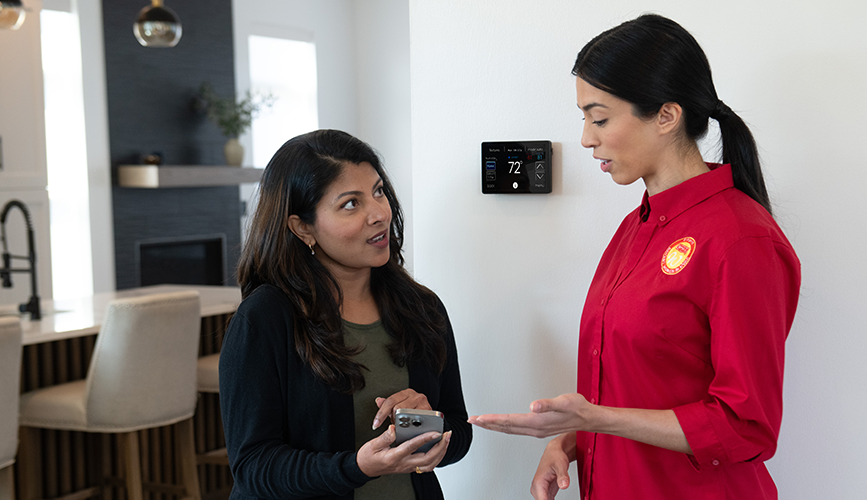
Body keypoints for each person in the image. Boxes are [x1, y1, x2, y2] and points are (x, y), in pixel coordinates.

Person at [469, 14, 801, 500]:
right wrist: (571, 440)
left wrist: (592, 419)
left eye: (599, 118)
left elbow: (745, 426)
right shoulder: (635, 228)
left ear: (667, 116)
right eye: (584, 118)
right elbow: (636, 386)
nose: (586, 137)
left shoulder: (740, 240)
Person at [219, 130, 472, 499]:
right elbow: (253, 466)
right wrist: (355, 468)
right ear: (303, 227)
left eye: (378, 191)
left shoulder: (422, 308)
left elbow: (458, 432)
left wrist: (427, 426)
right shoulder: (264, 319)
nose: (379, 213)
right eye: (351, 204)